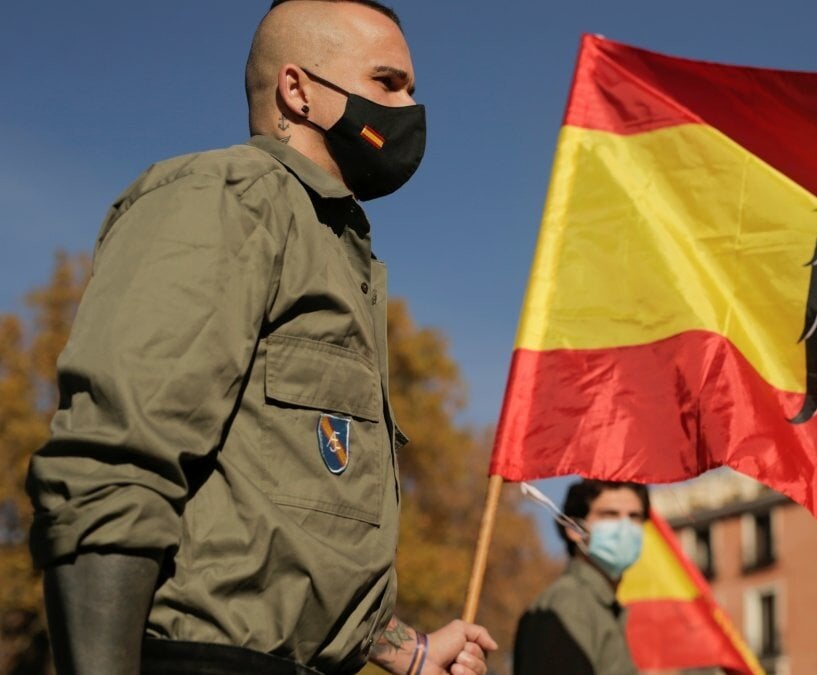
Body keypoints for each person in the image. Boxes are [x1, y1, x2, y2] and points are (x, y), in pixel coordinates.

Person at [24, 1, 496, 673]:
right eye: (388, 83)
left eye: (411, 90)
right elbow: (113, 460)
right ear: (299, 90)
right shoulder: (227, 196)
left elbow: (284, 526)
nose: (409, 108)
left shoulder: (339, 251)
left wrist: (408, 650)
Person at [512, 480, 649, 675]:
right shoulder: (568, 603)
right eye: (610, 514)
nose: (624, 527)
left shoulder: (604, 607)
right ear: (574, 528)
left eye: (635, 516)